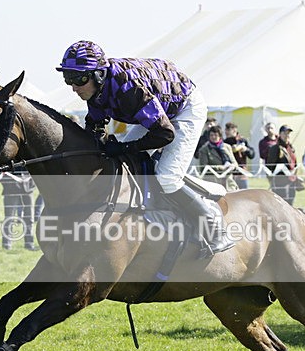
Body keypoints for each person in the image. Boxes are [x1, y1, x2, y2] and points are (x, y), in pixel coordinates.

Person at [56, 40, 233, 255]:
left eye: (79, 79)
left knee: (167, 177)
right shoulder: (95, 91)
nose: (74, 87)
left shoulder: (128, 88)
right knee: (125, 162)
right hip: (159, 109)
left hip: (185, 108)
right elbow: (95, 128)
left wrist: (123, 148)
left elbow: (165, 134)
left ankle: (214, 226)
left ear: (99, 75)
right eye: (68, 79)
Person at [0, 168, 36, 251]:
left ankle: (29, 244)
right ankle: (6, 245)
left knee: (29, 218)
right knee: (9, 218)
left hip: (28, 188)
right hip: (11, 189)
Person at [265, 125, 299, 205]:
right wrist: (272, 180)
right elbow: (269, 166)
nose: (287, 135)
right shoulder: (275, 148)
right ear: (280, 134)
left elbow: (295, 164)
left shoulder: (291, 148)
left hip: (291, 182)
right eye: (285, 133)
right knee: (282, 205)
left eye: (289, 133)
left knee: (291, 205)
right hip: (280, 182)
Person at [197, 125, 237, 191]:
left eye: (216, 135)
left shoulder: (227, 147)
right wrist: (221, 168)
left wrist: (232, 166)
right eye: (211, 135)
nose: (213, 137)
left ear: (220, 136)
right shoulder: (204, 149)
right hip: (213, 185)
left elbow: (235, 163)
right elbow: (203, 168)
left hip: (229, 185)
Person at [223, 122, 255, 189]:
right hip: (230, 173)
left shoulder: (242, 140)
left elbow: (252, 155)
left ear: (234, 130)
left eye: (228, 130)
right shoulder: (224, 142)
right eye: (226, 130)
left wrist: (246, 150)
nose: (226, 132)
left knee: (244, 194)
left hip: (242, 173)